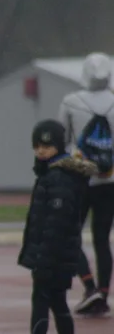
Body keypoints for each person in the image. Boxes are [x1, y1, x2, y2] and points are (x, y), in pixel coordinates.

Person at [18, 120, 93, 334]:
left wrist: (43, 260)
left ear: (58, 146)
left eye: (47, 146)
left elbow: (55, 225)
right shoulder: (52, 174)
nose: (41, 150)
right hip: (58, 254)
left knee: (41, 302)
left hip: (52, 256)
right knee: (58, 303)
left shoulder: (58, 178)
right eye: (37, 145)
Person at [57, 52, 114, 316]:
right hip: (109, 180)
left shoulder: (71, 101)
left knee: (69, 236)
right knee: (102, 239)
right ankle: (103, 292)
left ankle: (89, 286)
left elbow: (61, 140)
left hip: (79, 179)